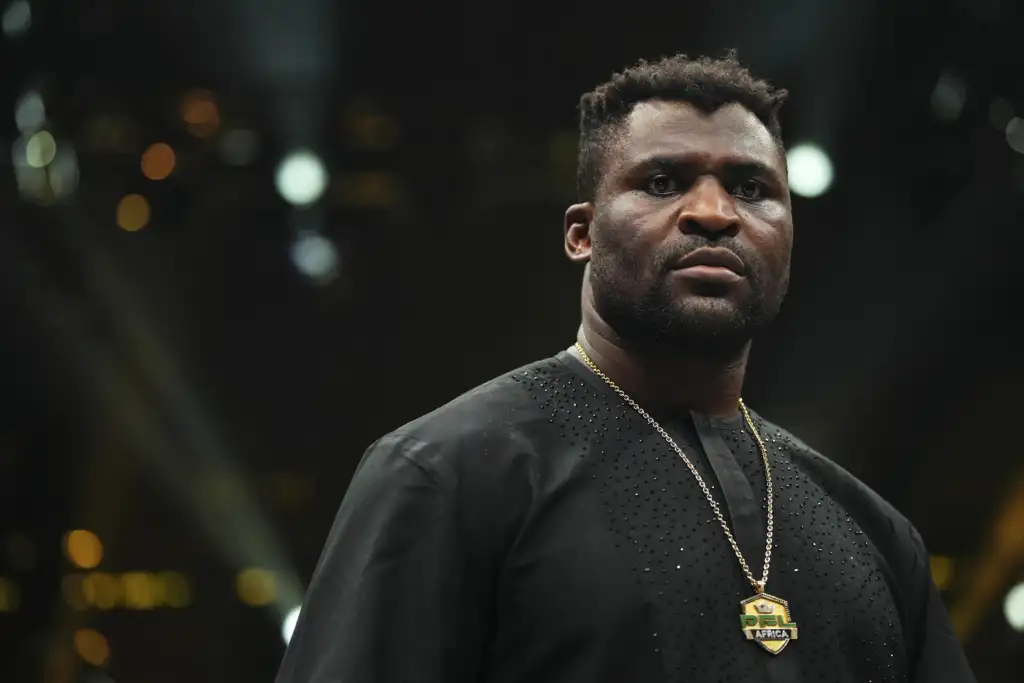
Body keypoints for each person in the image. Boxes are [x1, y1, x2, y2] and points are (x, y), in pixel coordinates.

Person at [275, 52, 976, 683]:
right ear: (581, 233)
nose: (713, 212)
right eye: (664, 181)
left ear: (789, 236)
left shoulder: (874, 533)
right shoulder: (445, 473)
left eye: (753, 188)